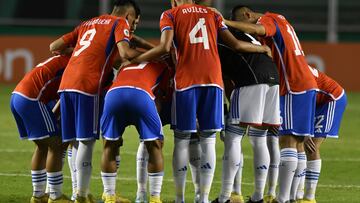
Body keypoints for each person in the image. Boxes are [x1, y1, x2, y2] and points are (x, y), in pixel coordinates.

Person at [121, 1, 271, 202]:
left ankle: (180, 198)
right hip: (213, 81)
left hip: (186, 81)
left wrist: (138, 59)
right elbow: (234, 45)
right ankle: (203, 198)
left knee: (182, 141)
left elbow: (166, 47)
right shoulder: (212, 14)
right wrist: (261, 48)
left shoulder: (170, 14)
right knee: (208, 141)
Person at [219, 6, 320, 203]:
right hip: (300, 83)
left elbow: (257, 30)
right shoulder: (281, 20)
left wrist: (225, 23)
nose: (243, 31)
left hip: (293, 84)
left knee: (287, 142)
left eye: (243, 25)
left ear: (248, 16)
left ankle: (280, 199)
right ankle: (292, 196)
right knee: (295, 144)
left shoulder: (269, 20)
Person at [49, 0, 141, 202]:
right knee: (87, 142)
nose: (133, 24)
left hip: (66, 83)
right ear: (129, 15)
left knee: (73, 141)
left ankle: (76, 193)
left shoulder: (87, 23)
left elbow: (54, 46)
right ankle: (81, 195)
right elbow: (125, 54)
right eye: (134, 20)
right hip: (87, 84)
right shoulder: (120, 23)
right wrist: (151, 55)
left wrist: (81, 54)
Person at [213, 9, 280, 202]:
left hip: (251, 79)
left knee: (233, 138)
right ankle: (259, 196)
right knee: (259, 138)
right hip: (273, 79)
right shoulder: (246, 33)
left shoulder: (217, 35)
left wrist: (228, 105)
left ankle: (225, 197)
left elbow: (226, 75)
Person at [100, 60, 173, 203]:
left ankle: (109, 197)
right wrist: (151, 130)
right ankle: (154, 199)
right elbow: (157, 97)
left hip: (113, 94)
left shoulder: (126, 63)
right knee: (155, 145)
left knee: (109, 145)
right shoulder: (164, 66)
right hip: (141, 94)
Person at [10, 55, 71, 203]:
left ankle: (38, 195)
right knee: (56, 145)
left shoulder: (61, 58)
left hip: (17, 96)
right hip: (32, 99)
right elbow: (66, 95)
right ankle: (55, 196)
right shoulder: (73, 63)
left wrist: (53, 120)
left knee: (42, 146)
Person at [292, 67, 347, 203]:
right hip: (314, 101)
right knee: (297, 142)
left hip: (331, 98)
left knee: (311, 146)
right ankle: (298, 195)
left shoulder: (298, 74)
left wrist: (306, 131)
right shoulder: (292, 66)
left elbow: (307, 98)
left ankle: (309, 198)